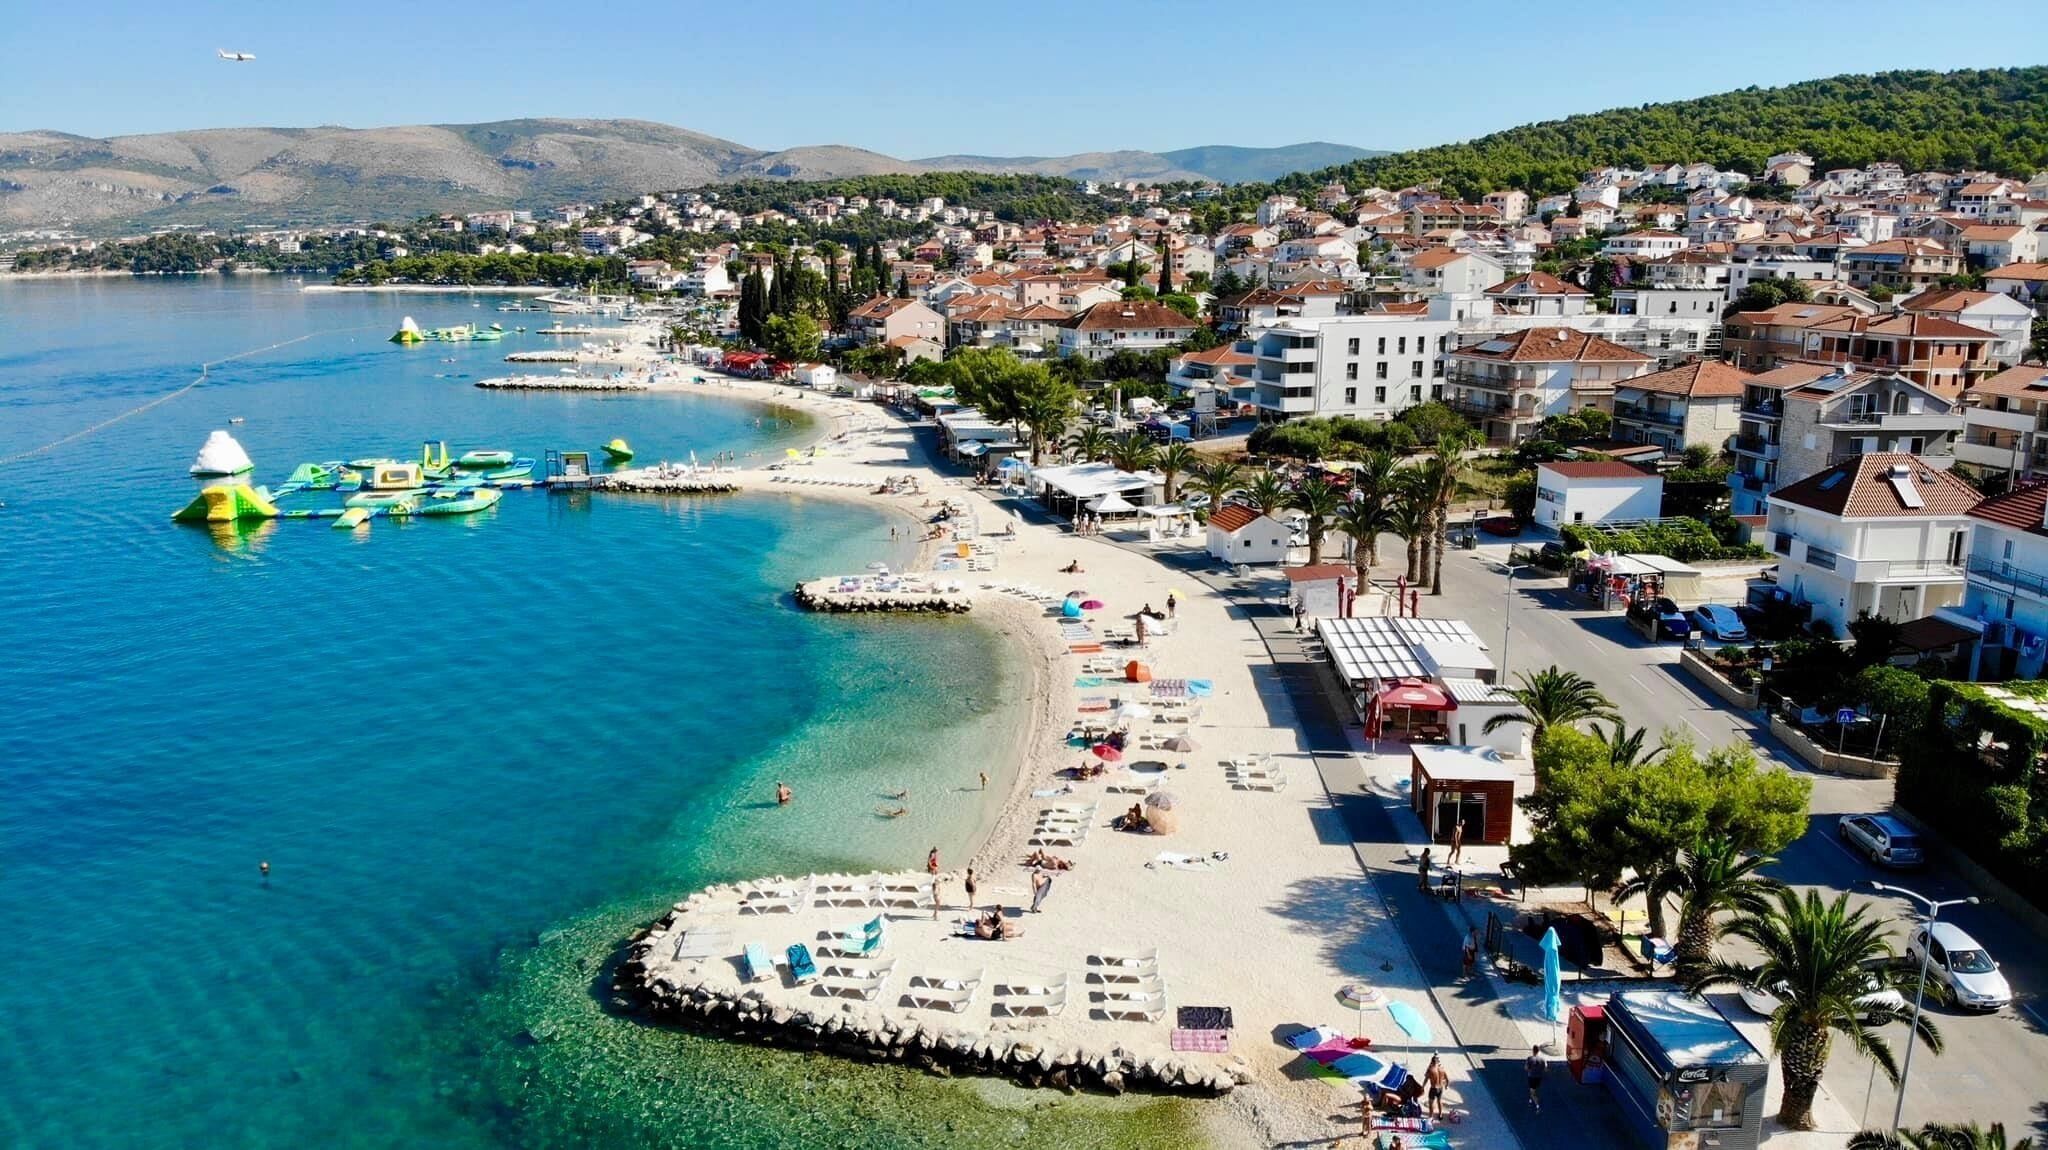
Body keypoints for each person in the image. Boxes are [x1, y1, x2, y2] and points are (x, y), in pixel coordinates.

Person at [1424, 1055, 1449, 1119]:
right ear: (1438, 1062)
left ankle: (1431, 1116)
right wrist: (1446, 1086)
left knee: (1431, 1103)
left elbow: (1426, 1078)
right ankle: (1440, 1115)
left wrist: (1423, 1086)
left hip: (1433, 1088)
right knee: (1439, 1101)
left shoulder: (1431, 1070)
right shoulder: (1442, 1069)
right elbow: (1447, 1079)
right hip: (1440, 1088)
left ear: (1432, 1062)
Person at [1525, 1045, 1546, 1113]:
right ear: (1538, 1051)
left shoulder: (1529, 1059)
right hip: (1539, 1078)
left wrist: (1530, 1069)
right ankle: (1531, 1100)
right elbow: (1545, 1069)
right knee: (1534, 1090)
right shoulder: (1542, 1059)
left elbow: (1526, 1068)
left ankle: (1537, 1106)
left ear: (1533, 1050)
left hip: (1532, 1077)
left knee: (1532, 1093)